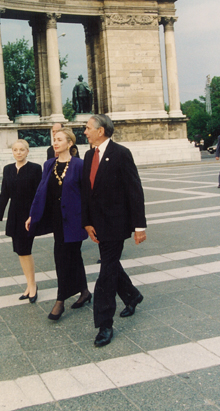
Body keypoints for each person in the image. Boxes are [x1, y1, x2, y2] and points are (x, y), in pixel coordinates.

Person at [82, 114, 147, 347]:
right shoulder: (89, 155)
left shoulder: (121, 154)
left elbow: (134, 190)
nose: (85, 132)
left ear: (101, 131)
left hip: (117, 224)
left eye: (88, 128)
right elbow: (87, 193)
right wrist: (87, 222)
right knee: (111, 265)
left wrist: (139, 226)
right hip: (97, 224)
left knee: (106, 274)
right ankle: (132, 296)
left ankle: (104, 325)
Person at [26, 128, 90, 320]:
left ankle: (60, 301)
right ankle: (85, 291)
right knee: (70, 256)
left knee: (64, 258)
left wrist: (89, 220)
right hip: (56, 220)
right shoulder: (49, 164)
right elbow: (40, 192)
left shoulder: (79, 165)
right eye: (54, 139)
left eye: (60, 140)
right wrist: (32, 215)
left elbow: (87, 195)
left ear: (70, 143)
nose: (55, 142)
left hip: (75, 220)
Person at [0, 140, 42, 302]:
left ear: (27, 151)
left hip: (28, 216)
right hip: (14, 215)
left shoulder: (35, 169)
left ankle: (33, 285)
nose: (18, 152)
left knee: (25, 250)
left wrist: (34, 215)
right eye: (15, 150)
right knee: (20, 251)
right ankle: (29, 285)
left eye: (22, 150)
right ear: (12, 152)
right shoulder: (7, 169)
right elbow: (4, 194)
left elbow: (39, 195)